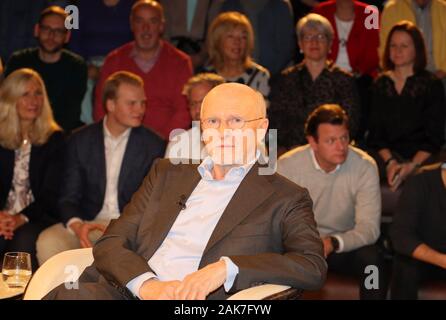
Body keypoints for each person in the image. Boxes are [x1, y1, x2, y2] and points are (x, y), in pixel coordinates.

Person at [44, 82, 327, 300]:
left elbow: (311, 265)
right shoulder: (166, 173)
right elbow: (112, 241)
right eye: (213, 122)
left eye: (236, 121)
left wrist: (228, 268)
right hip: (128, 290)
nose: (223, 132)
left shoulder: (285, 196)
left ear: (262, 128)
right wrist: (146, 285)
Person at [35, 71, 165, 265]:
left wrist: (122, 229)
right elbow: (68, 197)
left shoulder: (153, 144)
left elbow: (152, 203)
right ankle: (66, 294)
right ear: (110, 105)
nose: (140, 109)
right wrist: (78, 226)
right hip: (87, 222)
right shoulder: (79, 140)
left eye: (143, 103)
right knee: (48, 242)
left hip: (127, 227)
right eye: (132, 103)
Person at [277, 104, 388, 299]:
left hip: (341, 245)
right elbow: (277, 222)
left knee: (373, 262)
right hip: (299, 246)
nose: (341, 147)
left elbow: (370, 228)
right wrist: (305, 244)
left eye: (344, 138)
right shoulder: (288, 165)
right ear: (313, 142)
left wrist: (333, 243)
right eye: (331, 140)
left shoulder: (364, 165)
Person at [93, 0, 193, 140]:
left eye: (152, 21)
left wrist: (161, 143)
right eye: (140, 21)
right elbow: (101, 108)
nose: (146, 28)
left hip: (167, 144)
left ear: (161, 26)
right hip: (120, 143)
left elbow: (184, 111)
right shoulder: (114, 60)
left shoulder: (180, 62)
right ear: (132, 24)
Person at [367, 21, 445, 192]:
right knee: (364, 167)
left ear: (416, 49)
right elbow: (376, 134)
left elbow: (434, 138)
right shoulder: (380, 84)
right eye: (393, 45)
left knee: (425, 176)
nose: (397, 50)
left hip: (423, 156)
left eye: (404, 45)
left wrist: (411, 166)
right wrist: (390, 163)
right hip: (387, 156)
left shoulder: (432, 84)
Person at [0, 68, 64, 271]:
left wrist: (21, 218)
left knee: (22, 241)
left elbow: (51, 194)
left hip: (39, 216)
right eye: (25, 94)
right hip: (4, 216)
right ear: (11, 99)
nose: (34, 100)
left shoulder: (55, 139)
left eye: (38, 93)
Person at [268, 13, 360, 153]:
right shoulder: (285, 80)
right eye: (308, 37)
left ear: (330, 44)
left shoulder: (344, 80)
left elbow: (351, 124)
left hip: (332, 152)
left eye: (320, 37)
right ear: (300, 43)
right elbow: (274, 125)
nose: (314, 42)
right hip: (290, 153)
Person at [5, 6, 88, 133]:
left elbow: (70, 114)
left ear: (67, 36)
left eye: (58, 31)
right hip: (18, 130)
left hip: (58, 135)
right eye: (46, 29)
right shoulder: (19, 61)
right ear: (37, 30)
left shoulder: (76, 66)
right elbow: (8, 103)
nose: (51, 36)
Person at [390, 162, 446, 299]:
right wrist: (442, 260)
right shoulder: (420, 183)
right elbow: (401, 236)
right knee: (405, 266)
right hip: (424, 258)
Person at [203, 11, 270, 99]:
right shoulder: (205, 76)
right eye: (230, 36)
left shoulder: (260, 76)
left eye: (243, 37)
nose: (237, 42)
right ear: (217, 40)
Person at [219, 0, 296, 76]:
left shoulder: (280, 5)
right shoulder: (230, 4)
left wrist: (263, 76)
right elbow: (219, 40)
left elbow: (286, 49)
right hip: (231, 75)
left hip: (272, 78)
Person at [380, 0, 446, 81]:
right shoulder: (392, 9)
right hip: (402, 76)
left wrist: (443, 72)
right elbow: (385, 49)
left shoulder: (443, 9)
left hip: (440, 77)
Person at [165, 73, 225, 162]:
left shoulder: (241, 140)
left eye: (202, 102)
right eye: (193, 104)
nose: (197, 111)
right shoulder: (178, 144)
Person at [312, 0, 380, 78]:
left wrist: (357, 74)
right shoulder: (320, 11)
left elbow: (373, 55)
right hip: (324, 75)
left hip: (360, 79)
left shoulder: (371, 14)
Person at [159, 0, 222, 71]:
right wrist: (171, 54)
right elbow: (163, 30)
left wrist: (201, 56)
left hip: (203, 58)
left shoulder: (215, 2)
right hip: (171, 54)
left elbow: (214, 30)